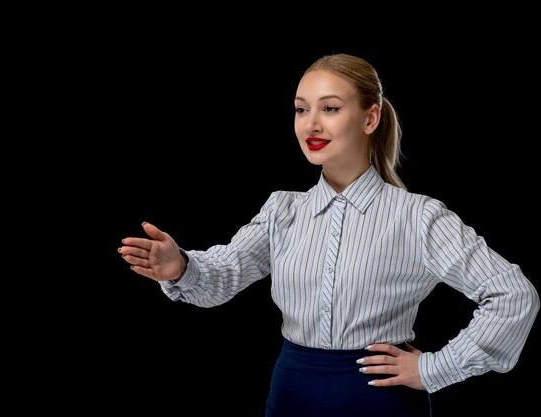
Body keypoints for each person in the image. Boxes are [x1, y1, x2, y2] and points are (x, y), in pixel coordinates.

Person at [117, 53, 539, 417]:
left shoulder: (419, 217)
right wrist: (180, 267)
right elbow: (224, 275)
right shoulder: (283, 210)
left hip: (380, 401)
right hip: (291, 395)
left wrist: (434, 369)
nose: (311, 124)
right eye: (301, 109)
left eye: (330, 108)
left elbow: (512, 295)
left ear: (370, 117)